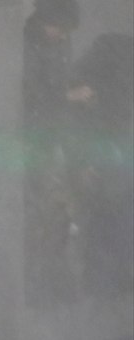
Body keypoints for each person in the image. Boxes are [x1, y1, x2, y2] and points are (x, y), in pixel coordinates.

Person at [22, 0, 85, 306]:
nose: (61, 35)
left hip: (57, 140)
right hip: (39, 142)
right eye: (58, 28)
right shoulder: (29, 44)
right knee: (46, 217)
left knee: (60, 215)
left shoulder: (58, 42)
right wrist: (69, 97)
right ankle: (45, 291)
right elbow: (34, 97)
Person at [65, 32, 134, 298]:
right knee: (108, 213)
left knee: (113, 214)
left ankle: (109, 280)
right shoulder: (109, 59)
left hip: (113, 147)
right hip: (105, 148)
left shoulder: (107, 61)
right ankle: (105, 280)